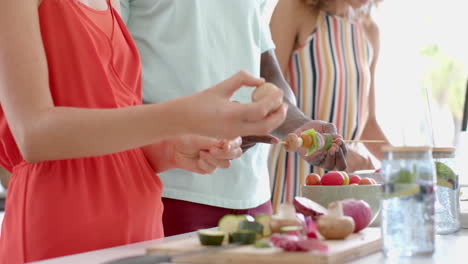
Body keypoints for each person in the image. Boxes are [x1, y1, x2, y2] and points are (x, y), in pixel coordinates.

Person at [0, 0, 289, 263]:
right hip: (63, 228)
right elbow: (35, 135)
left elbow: (110, 122)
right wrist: (183, 116)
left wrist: (169, 148)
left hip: (140, 228)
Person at [120, 0, 348, 236]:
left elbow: (268, 73)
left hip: (254, 195)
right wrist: (195, 126)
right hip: (169, 191)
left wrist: (300, 125)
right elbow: (107, 82)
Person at [269, 0, 389, 208]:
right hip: (294, 174)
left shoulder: (369, 31)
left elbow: (368, 123)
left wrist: (409, 164)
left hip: (347, 180)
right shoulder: (294, 9)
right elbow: (268, 94)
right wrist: (338, 149)